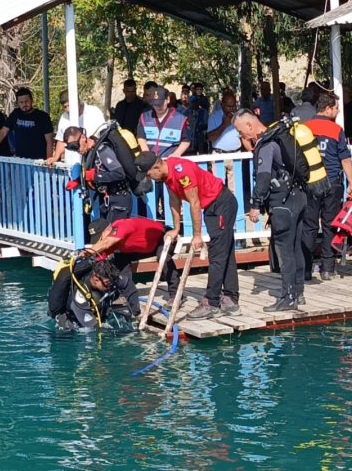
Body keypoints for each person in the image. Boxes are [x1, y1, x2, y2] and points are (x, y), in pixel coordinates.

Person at [135, 151, 240, 319]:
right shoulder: (166, 176)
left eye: (149, 174)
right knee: (224, 251)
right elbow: (174, 200)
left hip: (221, 203)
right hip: (211, 206)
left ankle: (212, 303)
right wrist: (176, 229)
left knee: (218, 254)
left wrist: (197, 235)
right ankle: (231, 299)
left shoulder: (182, 172)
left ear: (156, 167)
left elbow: (194, 202)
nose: (150, 178)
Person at [234, 109, 306, 311]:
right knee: (296, 247)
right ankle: (298, 293)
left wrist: (255, 205)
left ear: (249, 125)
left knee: (284, 251)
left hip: (282, 204)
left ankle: (288, 297)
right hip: (298, 197)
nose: (241, 136)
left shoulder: (266, 145)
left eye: (240, 131)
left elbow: (264, 178)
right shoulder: (280, 138)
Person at [302, 91, 352, 281]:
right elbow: (345, 159)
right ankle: (327, 268)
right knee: (329, 225)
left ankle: (306, 269)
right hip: (332, 182)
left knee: (308, 226)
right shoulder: (336, 130)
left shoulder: (305, 129)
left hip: (310, 182)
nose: (338, 111)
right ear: (327, 109)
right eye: (336, 108)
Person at [82, 218, 181, 317]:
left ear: (108, 230)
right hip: (144, 247)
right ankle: (127, 296)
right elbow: (99, 258)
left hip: (164, 237)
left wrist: (86, 252)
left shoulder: (121, 226)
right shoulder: (113, 239)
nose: (100, 241)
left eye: (100, 238)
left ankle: (175, 295)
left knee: (163, 257)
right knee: (119, 258)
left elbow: (106, 243)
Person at [72, 123, 139, 222]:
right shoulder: (89, 152)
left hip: (119, 199)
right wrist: (79, 180)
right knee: (104, 230)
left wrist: (94, 177)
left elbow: (119, 173)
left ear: (83, 137)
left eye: (76, 146)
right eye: (72, 148)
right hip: (106, 199)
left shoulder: (102, 150)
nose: (77, 150)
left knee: (115, 232)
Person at [47, 258, 122, 331]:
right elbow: (92, 327)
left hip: (92, 309)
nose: (110, 286)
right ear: (96, 279)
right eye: (107, 283)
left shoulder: (105, 281)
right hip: (71, 324)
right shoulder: (80, 296)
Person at [0, 87, 53, 159]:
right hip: (20, 160)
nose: (24, 104)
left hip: (39, 160)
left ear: (31, 100)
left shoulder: (43, 116)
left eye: (26, 101)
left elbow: (49, 141)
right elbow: (3, 132)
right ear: (17, 103)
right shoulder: (15, 114)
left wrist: (48, 160)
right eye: (21, 102)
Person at [47, 89, 106, 165]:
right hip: (71, 164)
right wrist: (56, 156)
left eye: (69, 105)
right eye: (65, 107)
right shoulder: (64, 117)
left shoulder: (94, 112)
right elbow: (61, 141)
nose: (68, 109)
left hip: (93, 162)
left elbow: (103, 136)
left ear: (77, 101)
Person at [136, 86, 192, 158]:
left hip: (170, 160)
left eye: (161, 104)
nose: (158, 107)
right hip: (151, 161)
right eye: (155, 104)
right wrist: (147, 154)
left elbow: (186, 140)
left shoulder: (180, 119)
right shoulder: (144, 117)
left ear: (168, 100)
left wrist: (177, 153)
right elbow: (141, 137)